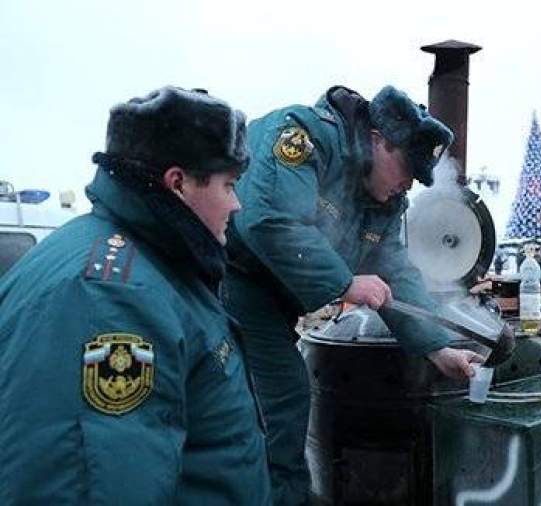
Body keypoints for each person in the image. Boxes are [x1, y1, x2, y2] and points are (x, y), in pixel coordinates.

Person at [0, 87, 271, 503]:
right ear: (177, 183)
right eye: (229, 185)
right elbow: (94, 486)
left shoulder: (152, 262)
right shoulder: (111, 298)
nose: (236, 204)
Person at [224, 85, 484, 505]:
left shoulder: (384, 198)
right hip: (230, 281)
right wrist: (345, 283)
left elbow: (395, 270)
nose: (407, 185)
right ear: (378, 141)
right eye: (405, 168)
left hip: (276, 299)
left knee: (275, 405)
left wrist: (438, 348)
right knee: (279, 401)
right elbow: (269, 221)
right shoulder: (302, 137)